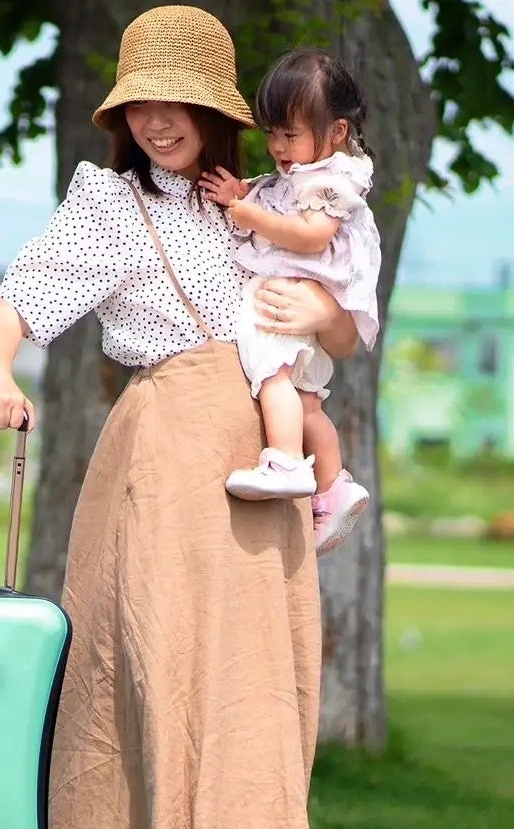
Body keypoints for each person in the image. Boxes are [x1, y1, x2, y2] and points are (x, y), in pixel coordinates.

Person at [0, 6, 361, 829]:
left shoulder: (260, 198)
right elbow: (18, 297)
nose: (154, 121)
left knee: (219, 678)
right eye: (138, 103)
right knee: (121, 668)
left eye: (174, 102)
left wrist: (322, 314)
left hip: (252, 462)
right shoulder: (111, 203)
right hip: (162, 450)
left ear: (213, 110)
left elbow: (344, 333)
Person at [199, 48, 381, 554]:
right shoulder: (302, 175)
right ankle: (333, 486)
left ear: (337, 132)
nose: (278, 146)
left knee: (273, 376)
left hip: (290, 298)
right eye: (271, 133)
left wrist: (244, 213)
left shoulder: (334, 181)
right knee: (305, 405)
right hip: (304, 304)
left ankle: (283, 460)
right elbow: (274, 196)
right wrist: (245, 193)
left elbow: (310, 236)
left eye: (291, 134)